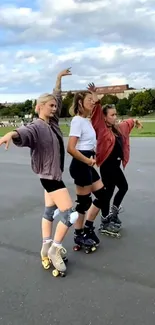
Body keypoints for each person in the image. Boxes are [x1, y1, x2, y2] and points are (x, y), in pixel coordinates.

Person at [0, 68, 79, 276]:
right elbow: (23, 132)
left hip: (51, 175)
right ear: (39, 107)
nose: (54, 108)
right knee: (71, 214)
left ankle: (45, 245)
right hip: (50, 178)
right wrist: (11, 133)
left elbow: (59, 99)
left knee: (49, 212)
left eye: (55, 106)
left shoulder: (51, 123)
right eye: (50, 106)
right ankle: (54, 250)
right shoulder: (36, 126)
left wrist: (58, 80)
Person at [87, 83, 142, 235]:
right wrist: (94, 96)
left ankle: (111, 215)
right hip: (107, 166)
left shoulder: (116, 128)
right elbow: (96, 113)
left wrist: (135, 121)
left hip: (115, 166)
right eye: (112, 115)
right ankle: (106, 220)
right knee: (111, 192)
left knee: (117, 189)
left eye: (116, 114)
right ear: (104, 117)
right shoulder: (101, 128)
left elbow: (126, 124)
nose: (115, 117)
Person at [67, 91, 107, 252]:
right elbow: (70, 148)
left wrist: (94, 154)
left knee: (103, 196)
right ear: (80, 103)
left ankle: (88, 227)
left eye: (93, 100)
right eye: (89, 100)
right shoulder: (77, 121)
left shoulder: (86, 120)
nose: (92, 102)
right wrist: (87, 160)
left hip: (88, 162)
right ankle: (78, 234)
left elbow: (88, 142)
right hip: (80, 164)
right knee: (83, 203)